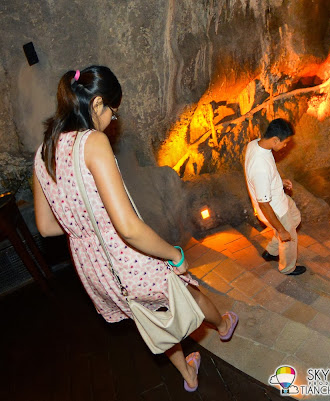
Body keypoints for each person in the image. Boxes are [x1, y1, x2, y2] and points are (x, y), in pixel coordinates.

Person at [32, 66, 238, 392]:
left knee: (148, 314)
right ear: (97, 103)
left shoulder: (43, 152)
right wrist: (174, 254)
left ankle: (187, 374)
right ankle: (224, 324)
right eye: (112, 113)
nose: (112, 121)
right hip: (125, 257)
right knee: (187, 290)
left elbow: (45, 227)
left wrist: (87, 223)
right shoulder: (93, 142)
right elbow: (127, 228)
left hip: (94, 269)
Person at [244, 118, 306, 275]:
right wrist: (281, 229)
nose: (286, 146)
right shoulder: (260, 168)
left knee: (296, 218)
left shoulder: (256, 144)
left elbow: (266, 177)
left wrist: (278, 181)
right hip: (275, 209)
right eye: (285, 143)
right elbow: (264, 204)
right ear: (275, 140)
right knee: (289, 237)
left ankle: (271, 251)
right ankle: (287, 267)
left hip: (280, 199)